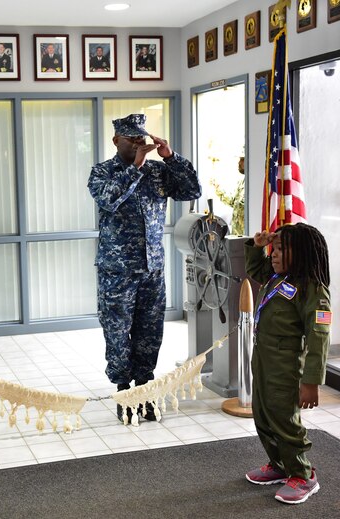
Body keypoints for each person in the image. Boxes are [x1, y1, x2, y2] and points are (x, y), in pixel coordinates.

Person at [88, 114, 201, 424]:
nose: (140, 144)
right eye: (132, 139)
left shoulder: (157, 172)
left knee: (149, 333)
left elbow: (191, 190)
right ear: (116, 141)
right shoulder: (102, 172)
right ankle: (125, 393)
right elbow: (110, 200)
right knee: (118, 334)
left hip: (152, 269)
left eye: (142, 138)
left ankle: (145, 389)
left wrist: (171, 158)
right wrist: (135, 168)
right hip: (118, 272)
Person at [244, 223, 331, 505]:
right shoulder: (276, 278)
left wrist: (311, 382)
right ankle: (280, 465)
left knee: (284, 420)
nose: (274, 255)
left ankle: (303, 475)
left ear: (302, 253)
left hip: (286, 366)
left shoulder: (312, 289)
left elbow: (319, 338)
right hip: (263, 360)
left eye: (281, 249)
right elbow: (254, 269)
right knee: (262, 414)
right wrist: (257, 247)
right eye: (274, 249)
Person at [210, 155, 245, 235]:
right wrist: (218, 189)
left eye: (241, 160)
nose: (239, 163)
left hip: (247, 233)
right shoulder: (242, 182)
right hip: (237, 233)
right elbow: (233, 202)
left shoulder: (252, 183)